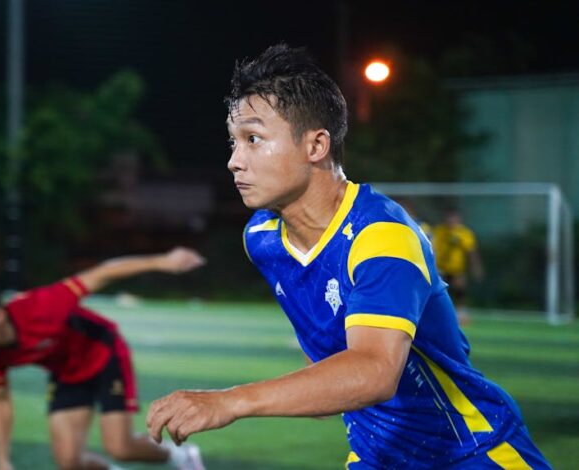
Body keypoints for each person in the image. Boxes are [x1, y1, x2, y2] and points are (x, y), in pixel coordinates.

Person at [146, 44, 550, 469]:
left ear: (316, 145)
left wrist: (231, 401)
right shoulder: (263, 239)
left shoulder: (381, 237)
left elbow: (375, 372)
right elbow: (328, 376)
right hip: (376, 457)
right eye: (233, 142)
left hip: (471, 452)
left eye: (253, 139)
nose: (233, 161)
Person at [0, 247, 207, 470]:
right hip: (66, 372)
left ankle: (180, 454)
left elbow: (103, 273)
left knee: (120, 447)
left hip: (104, 353)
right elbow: (1, 403)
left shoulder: (42, 306)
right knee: (69, 462)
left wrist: (163, 261)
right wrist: (2, 459)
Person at [433, 208, 483, 325]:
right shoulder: (439, 231)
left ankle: (462, 315)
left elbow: (471, 252)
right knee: (441, 293)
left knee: (460, 291)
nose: (451, 221)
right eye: (449, 219)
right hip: (441, 268)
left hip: (457, 269)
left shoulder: (464, 233)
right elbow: (433, 248)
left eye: (454, 219)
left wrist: (476, 267)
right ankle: (440, 315)